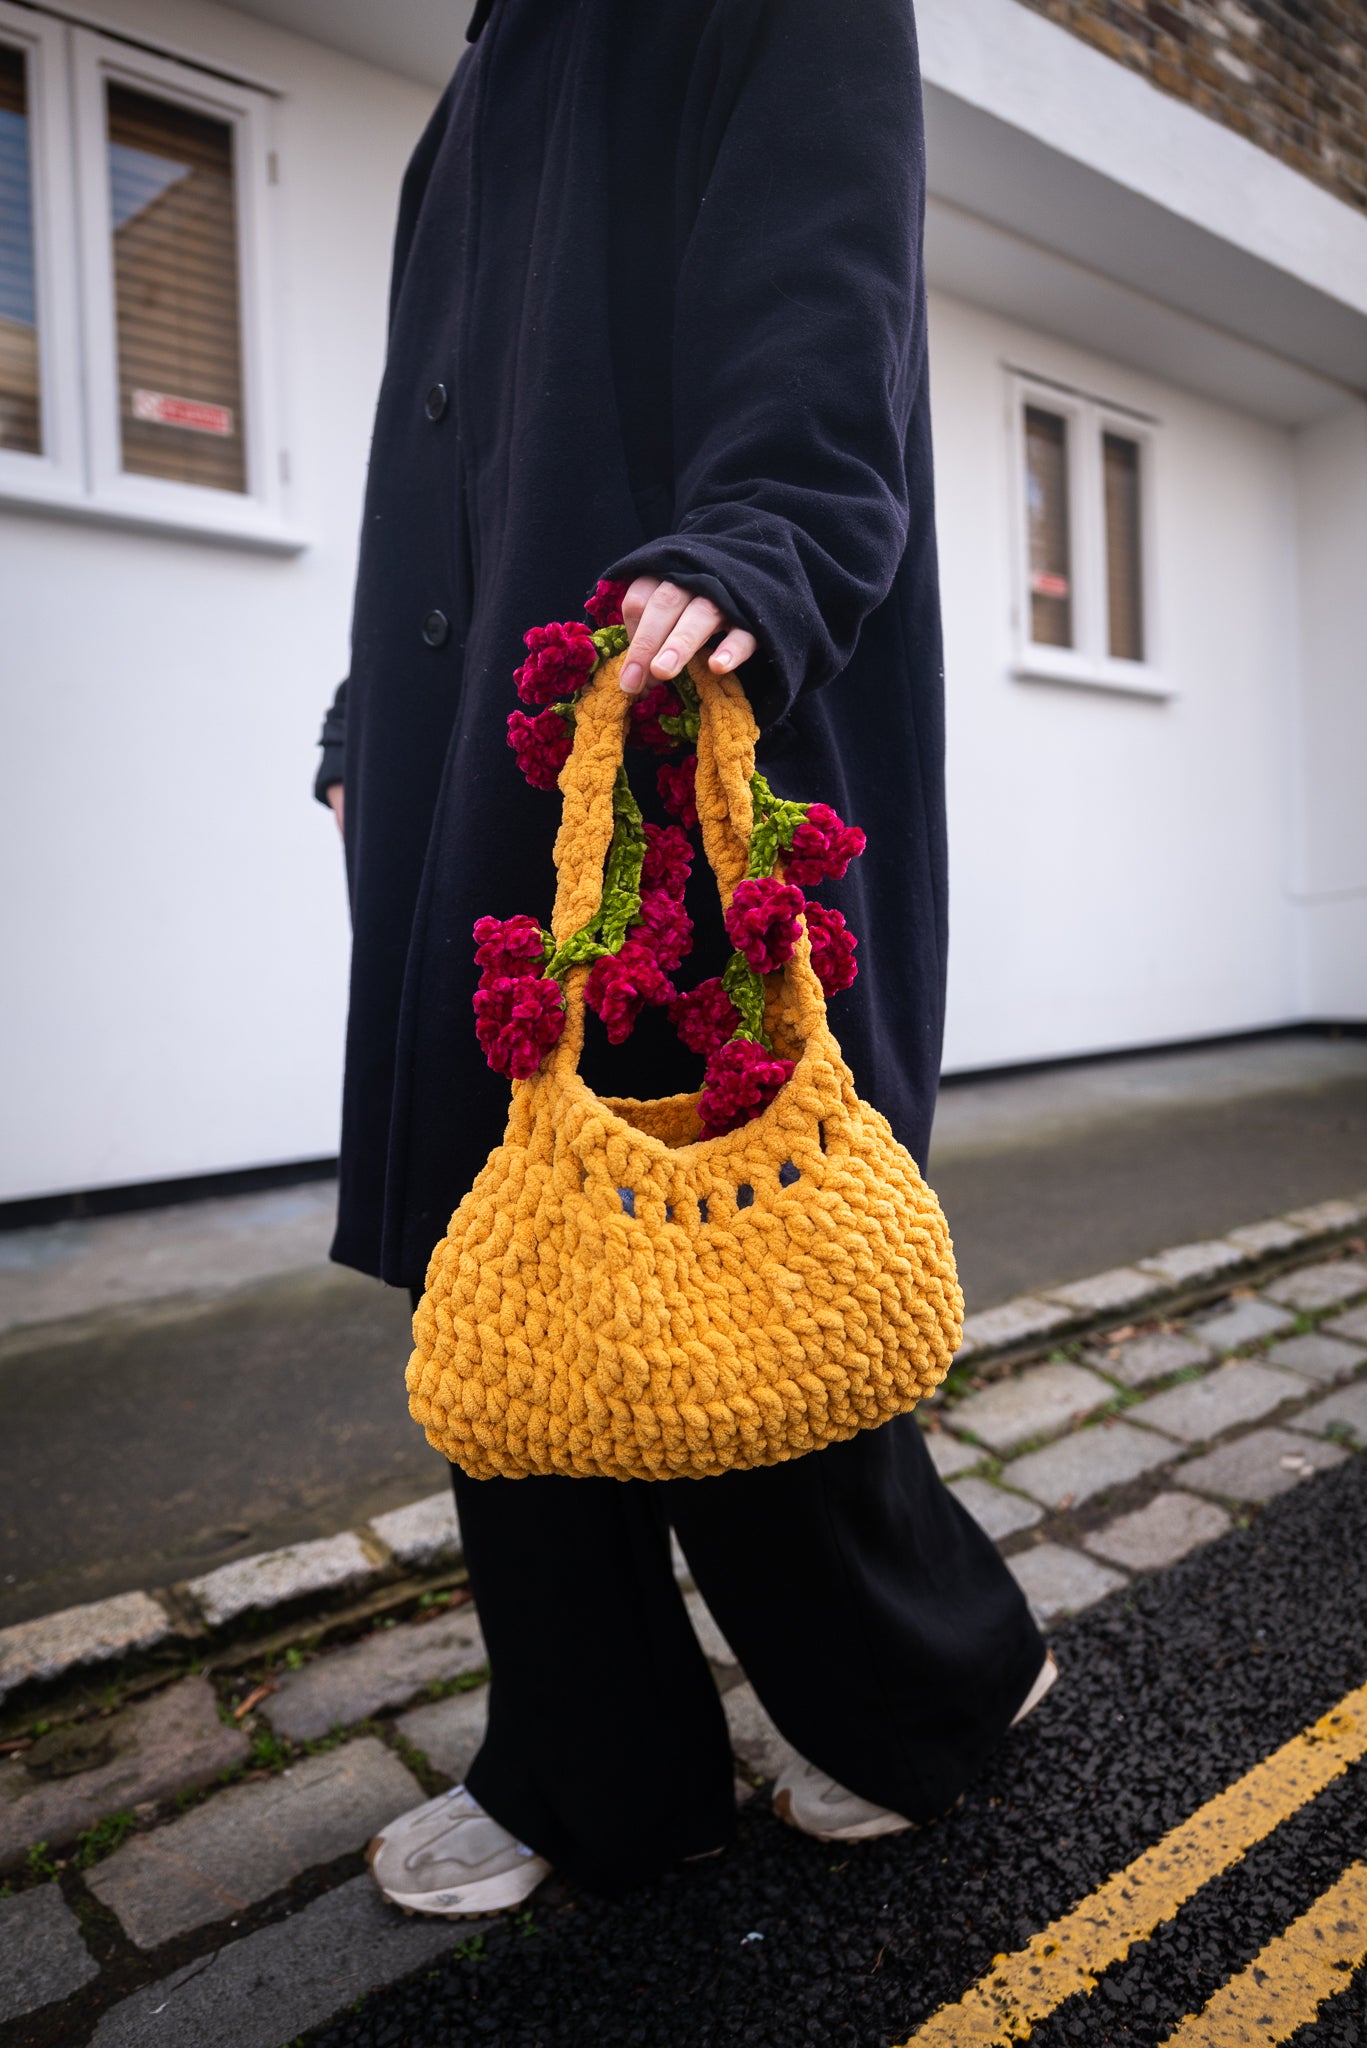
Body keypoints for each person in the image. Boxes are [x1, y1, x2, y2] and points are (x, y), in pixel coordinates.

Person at [316, 0, 1052, 1917]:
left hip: (672, 678)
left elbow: (829, 278)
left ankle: (934, 1689)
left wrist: (768, 538)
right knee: (519, 1281)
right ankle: (601, 1773)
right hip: (485, 736)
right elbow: (443, 435)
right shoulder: (487, 68)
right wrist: (357, 717)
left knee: (729, 1254)